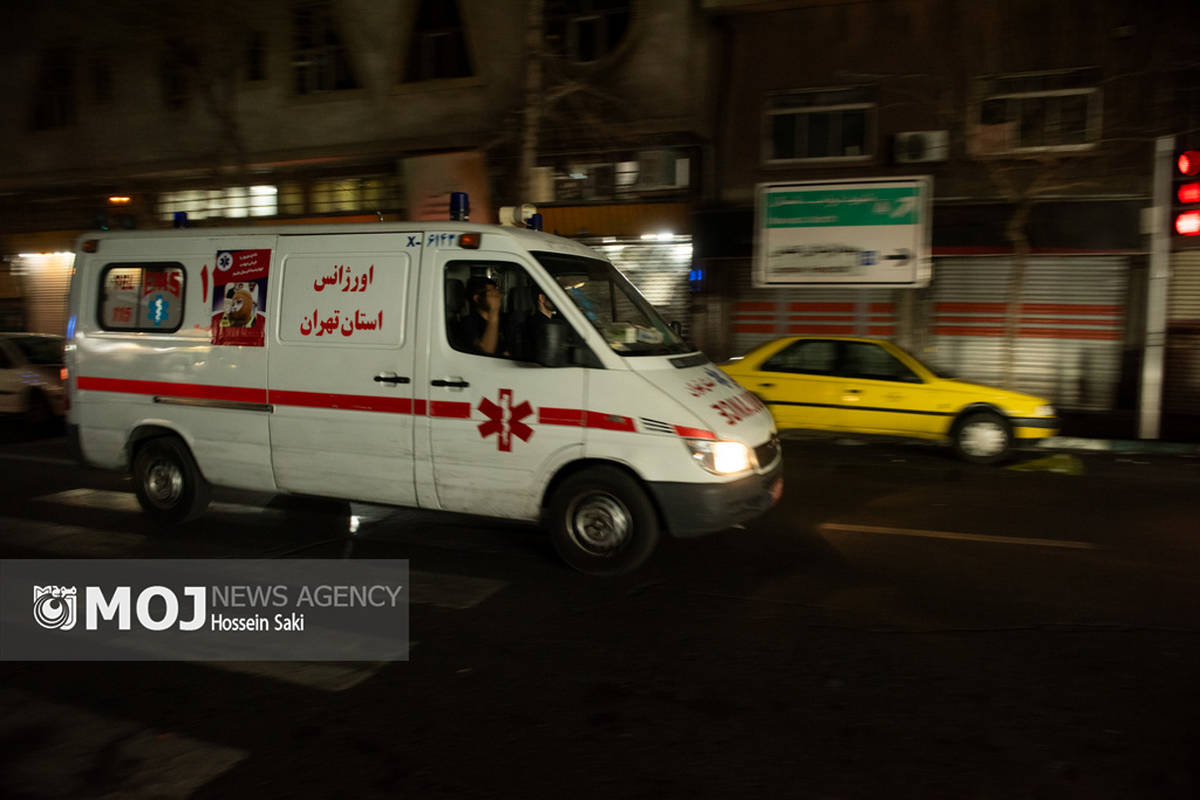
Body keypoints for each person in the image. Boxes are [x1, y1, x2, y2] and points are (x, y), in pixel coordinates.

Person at [455, 276, 507, 356]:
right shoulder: (468, 323)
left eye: (497, 292)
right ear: (477, 298)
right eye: (492, 294)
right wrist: (494, 311)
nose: (497, 296)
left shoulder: (505, 319)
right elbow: (487, 351)